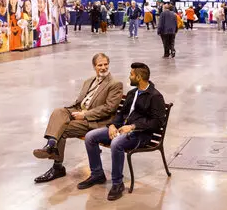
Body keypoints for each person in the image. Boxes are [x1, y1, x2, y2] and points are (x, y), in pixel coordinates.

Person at [79, 62, 166, 201]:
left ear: (139, 77)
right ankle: (97, 174)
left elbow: (157, 122)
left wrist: (133, 127)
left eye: (131, 74)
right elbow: (121, 113)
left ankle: (117, 184)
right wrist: (112, 125)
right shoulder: (132, 93)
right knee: (90, 136)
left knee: (116, 143)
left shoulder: (155, 96)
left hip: (141, 134)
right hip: (121, 130)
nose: (129, 76)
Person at [33, 53, 123, 183]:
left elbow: (109, 108)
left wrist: (85, 115)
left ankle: (57, 166)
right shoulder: (89, 81)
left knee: (62, 130)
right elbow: (79, 102)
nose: (103, 68)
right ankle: (51, 144)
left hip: (96, 121)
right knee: (58, 112)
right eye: (100, 65)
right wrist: (73, 113)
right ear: (94, 66)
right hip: (79, 111)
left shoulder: (115, 84)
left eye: (105, 64)